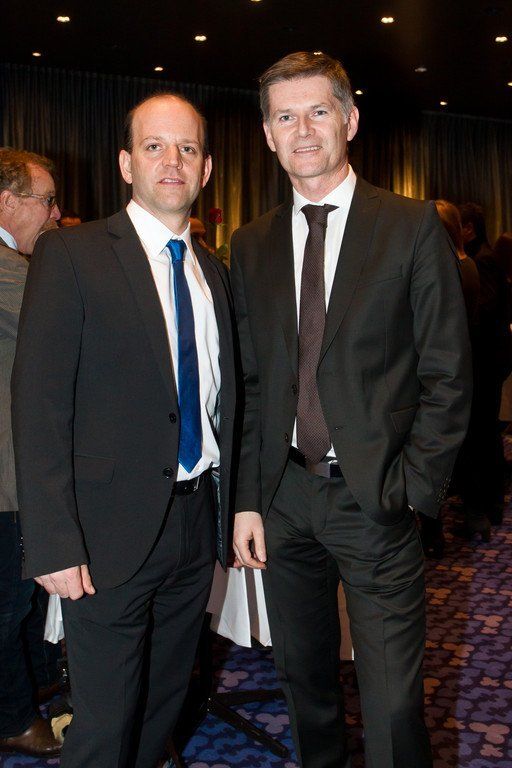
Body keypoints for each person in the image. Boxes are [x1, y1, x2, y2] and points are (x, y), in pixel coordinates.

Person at [230, 52, 472, 768]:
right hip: (284, 499)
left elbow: (449, 373)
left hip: (376, 497)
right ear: (268, 135)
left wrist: (413, 490)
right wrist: (249, 499)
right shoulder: (250, 243)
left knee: (394, 706)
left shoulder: (410, 225)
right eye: (285, 116)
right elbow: (250, 383)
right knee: (304, 689)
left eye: (318, 111)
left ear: (350, 120)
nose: (303, 130)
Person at [12, 93, 238, 768]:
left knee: (161, 706)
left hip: (195, 526)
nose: (172, 161)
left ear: (205, 170)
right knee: (105, 723)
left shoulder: (213, 272)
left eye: (187, 149)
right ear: (125, 163)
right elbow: (39, 405)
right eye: (153, 146)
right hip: (104, 535)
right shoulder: (72, 254)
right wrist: (52, 541)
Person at [0, 147, 62, 758]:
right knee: (7, 604)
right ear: (7, 201)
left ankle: (35, 682)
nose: (54, 213)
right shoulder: (12, 273)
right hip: (7, 477)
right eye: (45, 201)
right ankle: (14, 718)